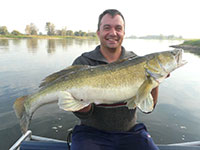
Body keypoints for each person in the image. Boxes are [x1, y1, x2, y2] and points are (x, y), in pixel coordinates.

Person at [71, 9, 159, 150]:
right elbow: (84, 114)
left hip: (130, 132)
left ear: (124, 33)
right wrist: (81, 105)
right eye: (107, 28)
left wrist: (154, 82)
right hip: (90, 134)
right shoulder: (83, 62)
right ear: (98, 32)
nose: (113, 33)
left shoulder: (136, 61)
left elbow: (148, 109)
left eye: (118, 28)